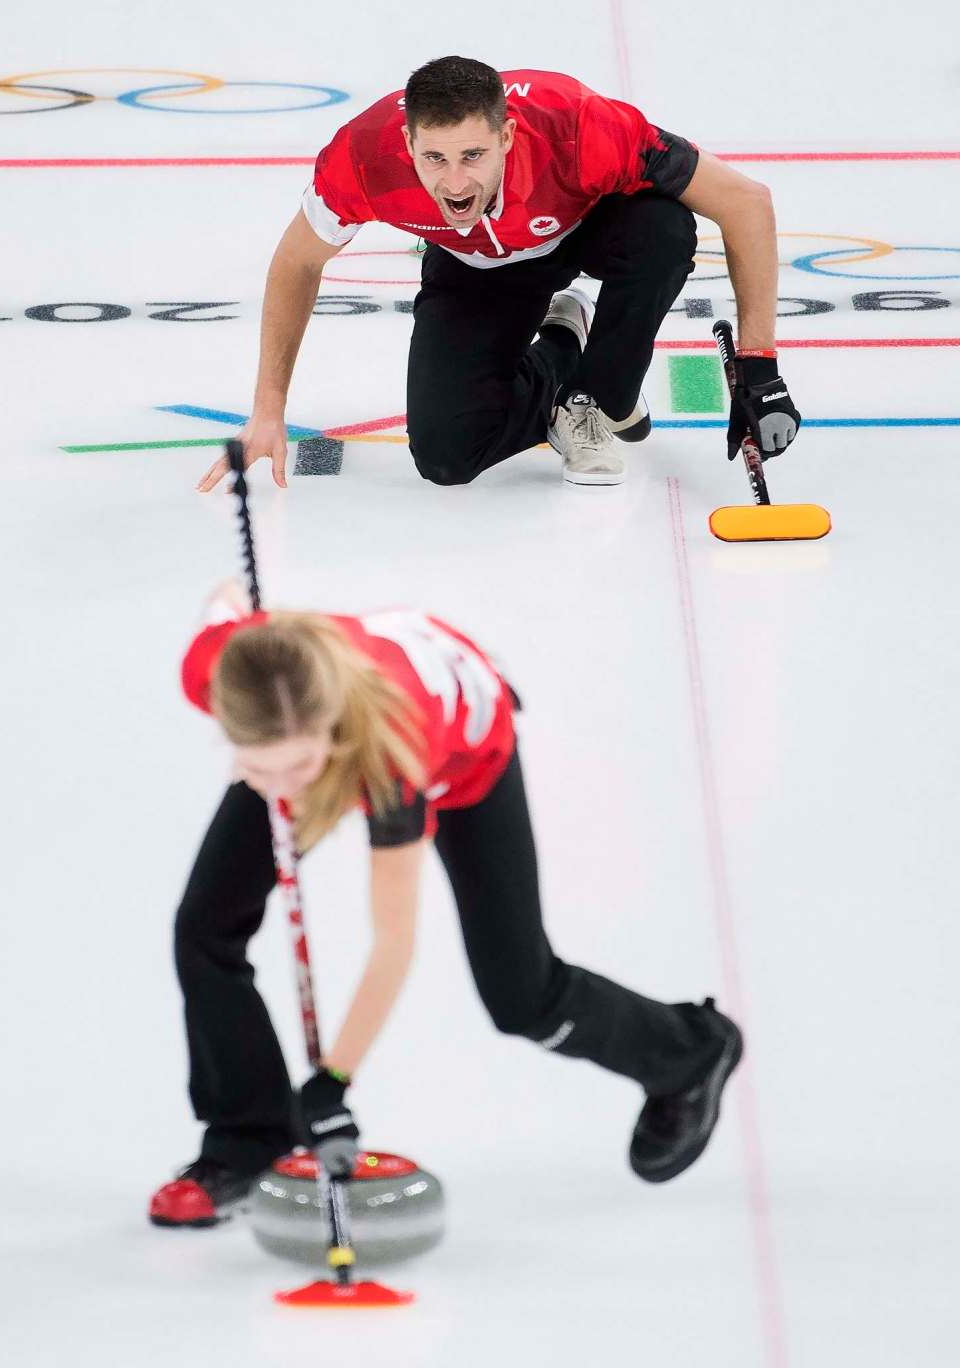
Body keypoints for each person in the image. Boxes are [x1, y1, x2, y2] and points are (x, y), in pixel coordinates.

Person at [149, 596, 742, 1226]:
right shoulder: (226, 671)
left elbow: (394, 940)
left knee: (522, 997)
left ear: (329, 731)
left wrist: (333, 1080)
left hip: (465, 748)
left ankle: (689, 1053)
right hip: (337, 710)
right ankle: (246, 1141)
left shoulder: (392, 752)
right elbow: (227, 597)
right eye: (257, 769)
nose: (282, 790)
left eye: (300, 766)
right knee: (204, 928)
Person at [196, 55, 800, 492]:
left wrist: (759, 368)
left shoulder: (579, 125)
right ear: (406, 144)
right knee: (446, 459)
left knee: (665, 230)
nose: (454, 183)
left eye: (473, 156)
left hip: (581, 231)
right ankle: (564, 351)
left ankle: (597, 393)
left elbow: (746, 202)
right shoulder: (362, 158)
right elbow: (296, 261)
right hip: (474, 269)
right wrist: (268, 408)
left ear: (507, 135)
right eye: (433, 158)